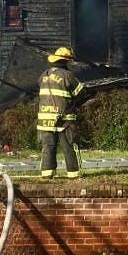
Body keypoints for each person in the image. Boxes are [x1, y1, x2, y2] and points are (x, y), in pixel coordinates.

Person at [37, 46, 84, 178]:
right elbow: (80, 93)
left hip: (45, 120)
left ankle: (47, 174)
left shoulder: (43, 76)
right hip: (64, 120)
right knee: (68, 146)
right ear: (65, 61)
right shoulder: (67, 75)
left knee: (48, 148)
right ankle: (73, 174)